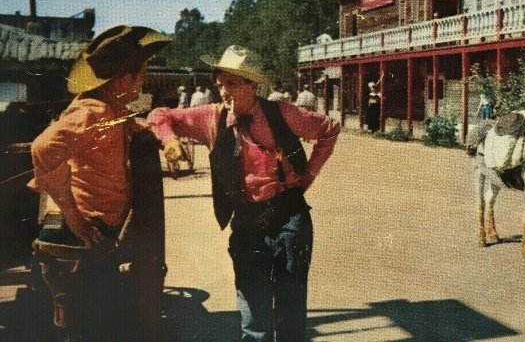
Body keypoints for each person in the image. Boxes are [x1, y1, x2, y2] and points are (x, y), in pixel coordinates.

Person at [147, 45, 340, 342]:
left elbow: (329, 129)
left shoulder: (283, 113)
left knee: (290, 310)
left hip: (289, 216)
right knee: (253, 311)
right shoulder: (213, 118)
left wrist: (308, 175)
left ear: (252, 84)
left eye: (232, 84)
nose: (224, 92)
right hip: (247, 222)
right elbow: (161, 115)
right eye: (221, 84)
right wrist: (170, 141)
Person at [29, 25, 170, 341]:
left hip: (99, 242)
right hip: (85, 241)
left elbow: (115, 129)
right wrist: (73, 216)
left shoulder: (111, 109)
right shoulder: (93, 110)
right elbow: (42, 148)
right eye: (142, 73)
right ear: (123, 80)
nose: (144, 79)